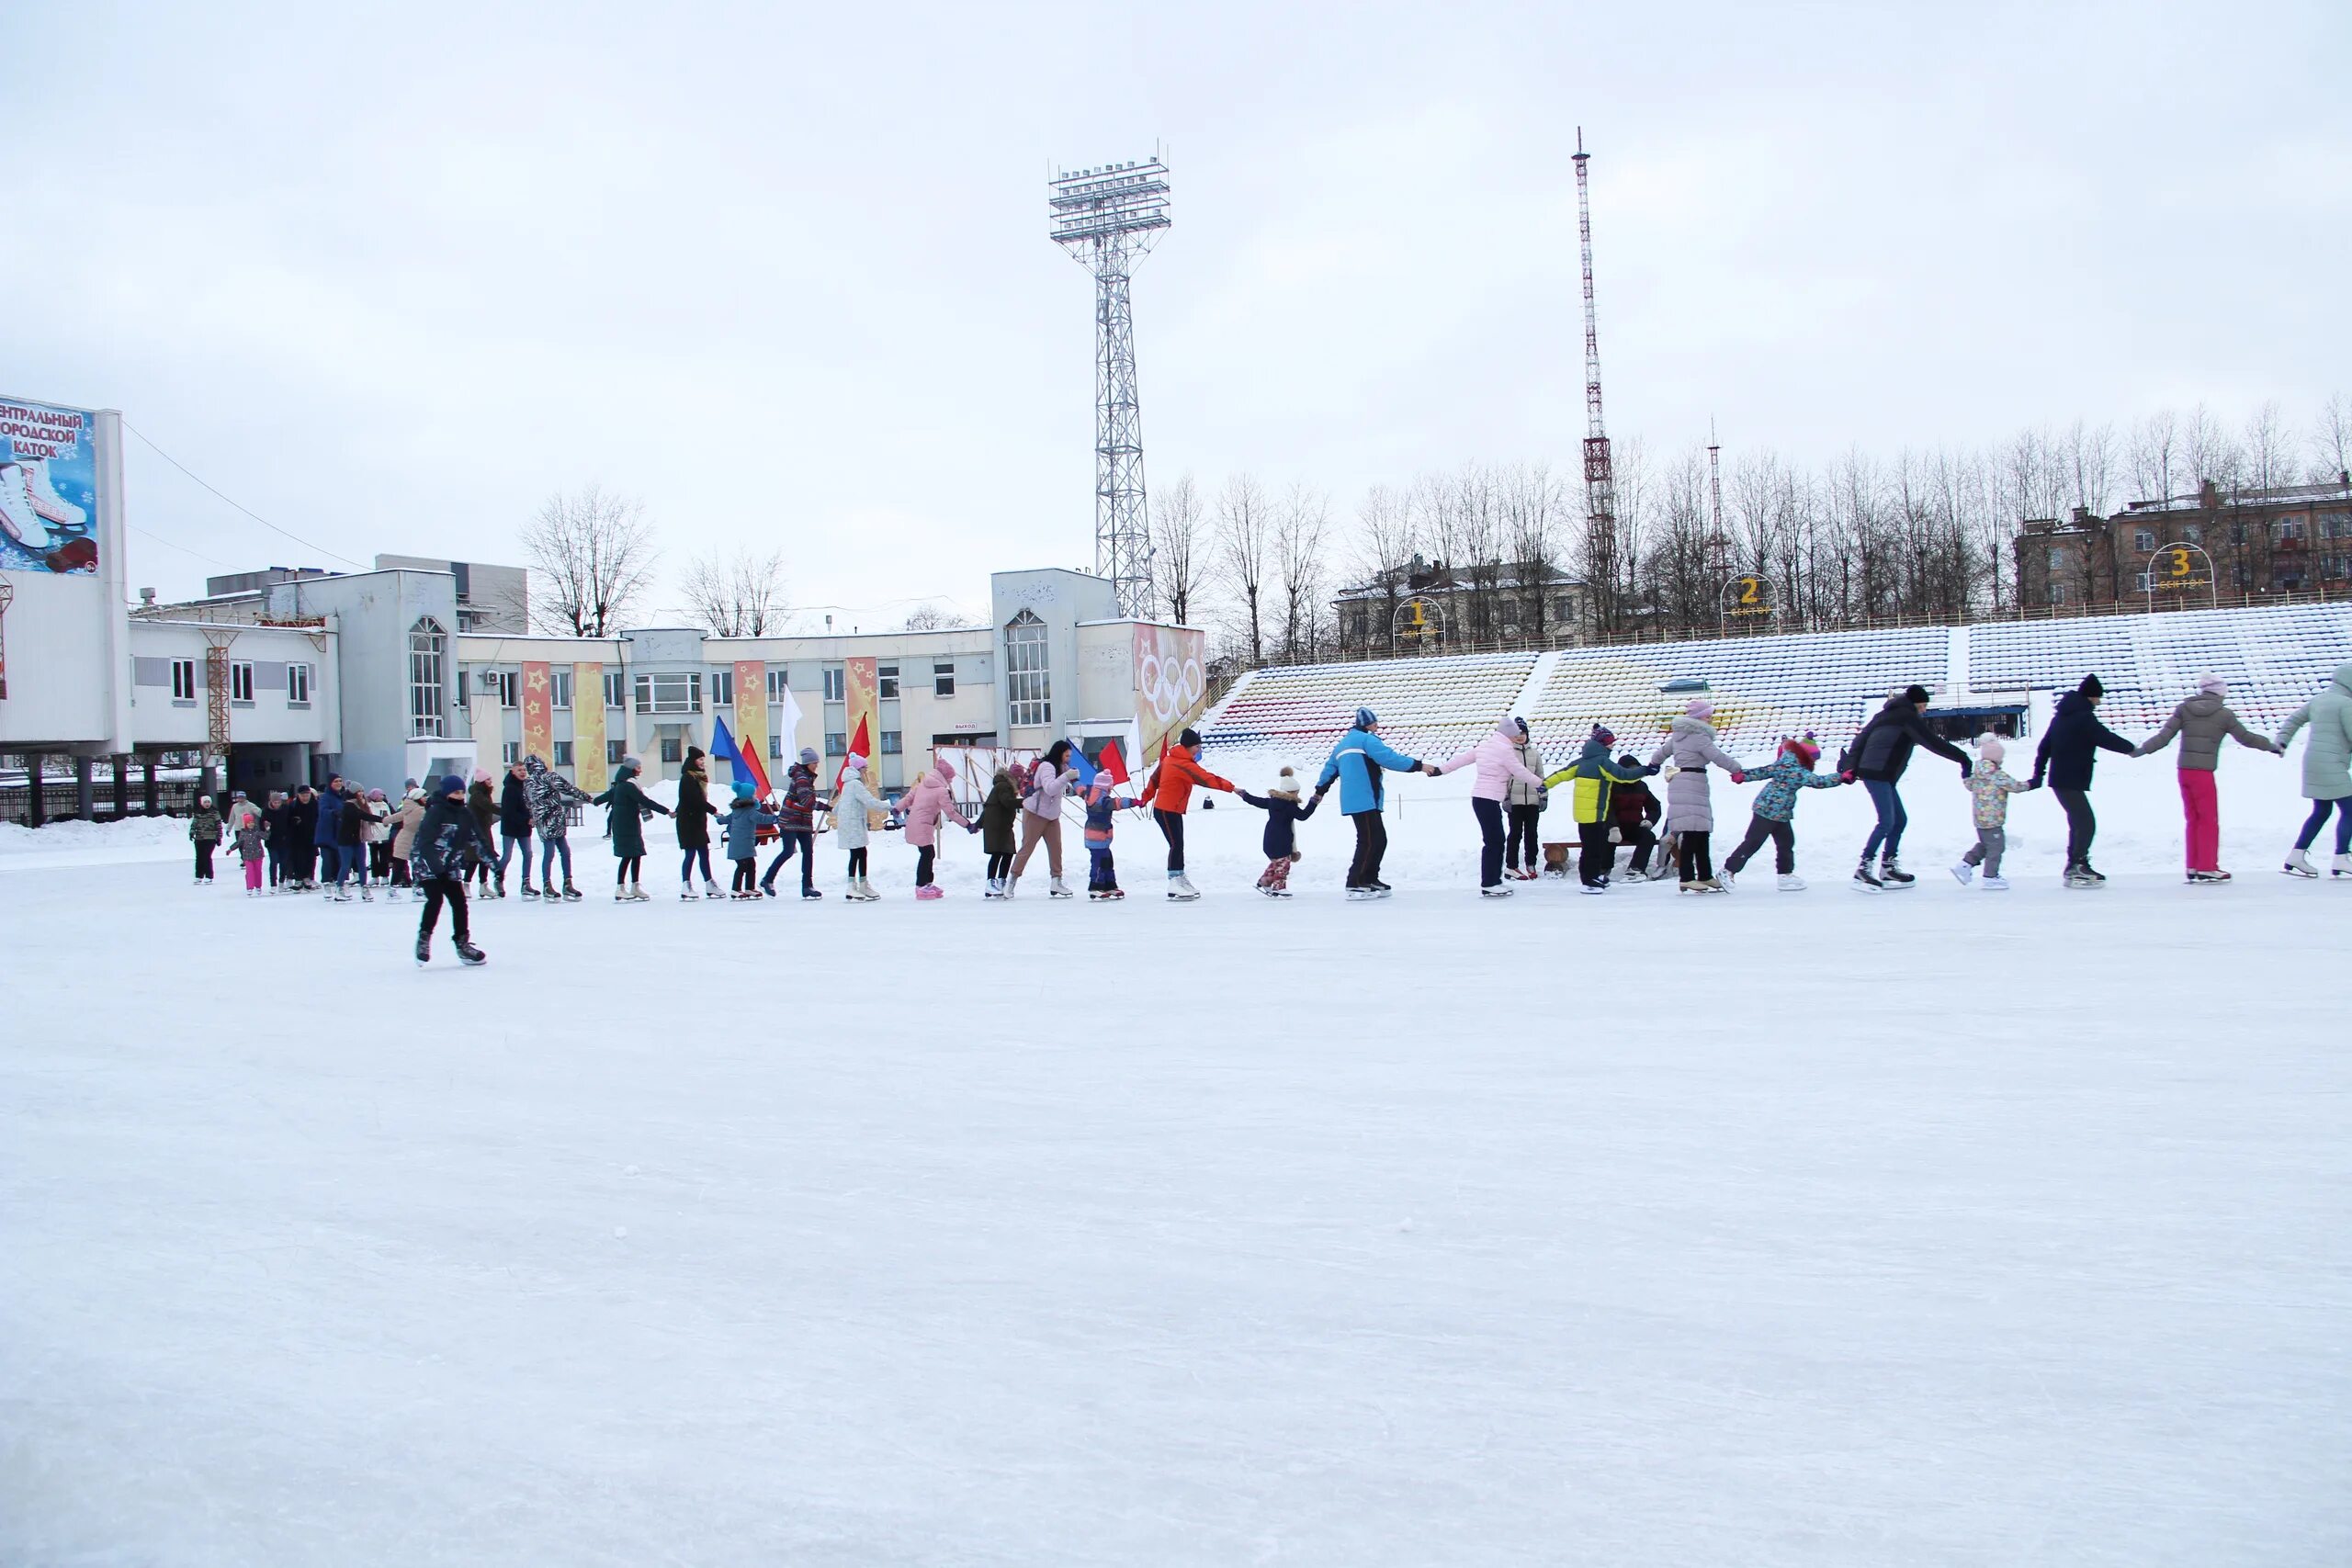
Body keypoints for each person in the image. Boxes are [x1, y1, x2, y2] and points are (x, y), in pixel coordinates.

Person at [2132, 673, 2282, 883]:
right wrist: (2271, 747)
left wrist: (2141, 750)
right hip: (2203, 772)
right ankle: (2207, 866)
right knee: (2208, 820)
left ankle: (2193, 865)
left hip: (2183, 771)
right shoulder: (2224, 714)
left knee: (2193, 819)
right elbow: (2246, 738)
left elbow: (2164, 736)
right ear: (2220, 692)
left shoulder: (2184, 709)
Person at [1841, 682, 1972, 890]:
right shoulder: (1907, 716)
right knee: (1887, 822)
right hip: (1877, 774)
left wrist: (1848, 766)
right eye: (1924, 706)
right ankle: (1863, 868)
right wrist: (1963, 758)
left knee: (1899, 820)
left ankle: (1888, 867)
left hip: (1878, 774)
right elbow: (1932, 742)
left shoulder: (1881, 716)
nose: (1925, 710)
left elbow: (1859, 742)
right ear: (1918, 704)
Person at [2029, 674, 2138, 888]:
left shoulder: (2061, 716)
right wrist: (2131, 749)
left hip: (2060, 779)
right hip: (2071, 778)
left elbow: (2044, 747)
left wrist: (2039, 774)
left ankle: (2073, 865)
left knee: (2077, 822)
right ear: (2091, 696)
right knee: (2086, 822)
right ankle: (2077, 865)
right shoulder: (2084, 717)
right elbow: (2104, 737)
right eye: (2098, 698)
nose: (2099, 702)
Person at [1312, 708, 1434, 899]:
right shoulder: (1367, 740)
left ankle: (1369, 878)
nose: (1377, 725)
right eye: (1374, 722)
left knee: (1378, 839)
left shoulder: (1342, 744)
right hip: (1364, 797)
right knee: (1368, 840)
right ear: (1366, 724)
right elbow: (1390, 759)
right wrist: (1420, 766)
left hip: (1357, 798)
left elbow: (1329, 770)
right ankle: (1354, 882)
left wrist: (1320, 791)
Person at [1647, 699, 1751, 894]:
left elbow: (1660, 753)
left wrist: (1654, 764)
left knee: (1701, 832)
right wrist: (1737, 769)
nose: (1710, 719)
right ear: (1697, 718)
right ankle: (1686, 877)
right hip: (1691, 783)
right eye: (1707, 715)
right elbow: (1717, 756)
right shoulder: (1698, 736)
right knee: (1693, 833)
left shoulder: (1679, 736)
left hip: (1687, 782)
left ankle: (1705, 875)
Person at [1438, 716, 1549, 897]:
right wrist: (1540, 784)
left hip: (1482, 799)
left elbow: (1461, 759)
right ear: (1508, 734)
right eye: (1514, 734)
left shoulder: (1486, 745)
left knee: (1495, 840)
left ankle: (1494, 880)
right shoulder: (1505, 750)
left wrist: (1440, 770)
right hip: (1487, 799)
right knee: (1494, 841)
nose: (1516, 737)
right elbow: (1519, 771)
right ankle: (1490, 882)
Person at [1542, 725, 1659, 894]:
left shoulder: (1581, 762)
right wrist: (1646, 770)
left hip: (1582, 813)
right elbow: (1624, 775)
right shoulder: (1602, 762)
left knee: (1592, 847)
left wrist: (1544, 785)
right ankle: (1589, 880)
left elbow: (1561, 774)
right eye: (1610, 742)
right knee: (1593, 849)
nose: (1612, 745)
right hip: (1596, 812)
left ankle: (1593, 876)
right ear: (1603, 744)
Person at [1721, 735, 1843, 891]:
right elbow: (1818, 782)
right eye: (1814, 759)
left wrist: (1744, 776)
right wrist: (1842, 778)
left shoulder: (1785, 763)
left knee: (1786, 843)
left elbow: (1763, 771)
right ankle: (1728, 871)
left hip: (1779, 813)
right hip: (1768, 811)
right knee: (1753, 842)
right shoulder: (1796, 769)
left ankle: (1785, 875)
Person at [2275, 660, 2352, 878]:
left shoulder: (2319, 700)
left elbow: (2294, 720)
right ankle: (2341, 857)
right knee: (2350, 810)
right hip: (2332, 764)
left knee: (2321, 811)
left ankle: (2296, 856)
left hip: (2313, 762)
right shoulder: (2346, 704)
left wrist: (2282, 741)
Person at [1136, 729, 1234, 901]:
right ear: (1189, 746)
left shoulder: (1170, 760)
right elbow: (1207, 779)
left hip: (1172, 809)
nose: (1199, 749)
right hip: (1166, 809)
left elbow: (1154, 779)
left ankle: (1180, 877)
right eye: (1197, 746)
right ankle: (1174, 881)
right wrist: (1232, 788)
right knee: (1176, 844)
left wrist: (1146, 797)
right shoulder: (1182, 764)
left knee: (1178, 844)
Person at [410, 773, 492, 966]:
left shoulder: (465, 813)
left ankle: (462, 943)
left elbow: (478, 839)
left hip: (450, 864)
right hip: (427, 863)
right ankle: (424, 939)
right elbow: (425, 844)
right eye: (456, 792)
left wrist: (494, 865)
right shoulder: (435, 811)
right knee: (436, 898)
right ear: (447, 793)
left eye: (462, 792)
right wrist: (437, 869)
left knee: (459, 902)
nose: (460, 796)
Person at [1951, 732, 2031, 891]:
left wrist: (1965, 774)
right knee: (1996, 847)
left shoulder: (1977, 774)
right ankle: (1990, 876)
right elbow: (2015, 786)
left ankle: (1965, 865)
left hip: (1980, 820)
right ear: (1997, 759)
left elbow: (1968, 784)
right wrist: (2031, 783)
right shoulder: (1997, 775)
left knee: (1986, 845)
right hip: (1993, 820)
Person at [1005, 739, 1080, 898]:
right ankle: (1011, 881)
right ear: (1059, 753)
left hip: (1052, 816)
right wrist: (1066, 776)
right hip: (1035, 813)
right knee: (1027, 848)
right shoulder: (1046, 766)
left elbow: (1073, 782)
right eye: (1066, 755)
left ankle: (1056, 882)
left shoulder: (1062, 767)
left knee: (1056, 849)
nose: (1068, 758)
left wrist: (1085, 791)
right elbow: (1050, 789)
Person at [898, 753, 976, 898]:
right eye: (950, 778)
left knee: (928, 853)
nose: (951, 781)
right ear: (945, 777)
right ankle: (921, 886)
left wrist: (897, 808)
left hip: (915, 822)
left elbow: (908, 799)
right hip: (923, 825)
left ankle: (927, 883)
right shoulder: (941, 791)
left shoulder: (923, 785)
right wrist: (968, 825)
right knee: (927, 854)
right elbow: (951, 813)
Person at [1236, 766, 1320, 897]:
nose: (1297, 795)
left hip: (1269, 837)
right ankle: (1279, 887)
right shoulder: (1289, 805)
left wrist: (1245, 795)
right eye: (1296, 793)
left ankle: (1265, 882)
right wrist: (1313, 802)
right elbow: (1303, 816)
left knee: (1277, 862)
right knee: (1283, 864)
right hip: (1282, 839)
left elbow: (1256, 801)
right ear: (1291, 792)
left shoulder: (1272, 802)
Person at [594, 755, 671, 901]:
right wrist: (666, 811)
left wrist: (595, 801)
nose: (640, 771)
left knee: (636, 854)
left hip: (630, 825)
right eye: (638, 767)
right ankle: (620, 888)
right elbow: (645, 801)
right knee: (627, 855)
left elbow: (604, 797)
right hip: (625, 826)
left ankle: (635, 886)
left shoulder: (622, 784)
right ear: (632, 769)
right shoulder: (628, 786)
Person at [523, 753, 593, 902]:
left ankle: (548, 884)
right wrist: (588, 798)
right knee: (563, 852)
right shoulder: (549, 777)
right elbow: (568, 789)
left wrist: (536, 814)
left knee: (551, 853)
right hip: (555, 819)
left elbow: (527, 802)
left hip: (543, 822)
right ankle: (565, 883)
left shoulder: (527, 783)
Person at [760, 747, 825, 899]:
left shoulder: (806, 777)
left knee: (808, 852)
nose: (816, 765)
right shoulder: (802, 778)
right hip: (790, 821)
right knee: (788, 851)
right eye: (815, 762)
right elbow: (807, 801)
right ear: (808, 763)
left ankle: (807, 886)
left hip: (802, 821)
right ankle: (767, 879)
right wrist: (825, 806)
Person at [1079, 766, 1144, 900]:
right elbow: (1119, 803)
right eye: (1110, 786)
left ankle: (1109, 885)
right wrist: (1135, 802)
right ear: (1106, 787)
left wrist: (1073, 779)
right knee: (1098, 863)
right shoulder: (1104, 801)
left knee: (1107, 861)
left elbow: (1079, 788)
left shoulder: (1088, 794)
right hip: (1098, 837)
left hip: (1096, 837)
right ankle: (1095, 887)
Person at [833, 754, 889, 901]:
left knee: (860, 853)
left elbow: (839, 806)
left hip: (853, 824)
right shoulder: (855, 784)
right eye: (865, 767)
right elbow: (870, 801)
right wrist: (890, 807)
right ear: (859, 769)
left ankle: (861, 884)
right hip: (853, 825)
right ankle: (853, 886)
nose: (866, 770)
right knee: (858, 853)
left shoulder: (849, 784)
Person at [719, 779, 779, 898]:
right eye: (753, 794)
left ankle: (749, 888)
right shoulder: (749, 811)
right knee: (742, 866)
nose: (755, 795)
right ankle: (736, 889)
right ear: (748, 797)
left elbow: (727, 818)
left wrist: (720, 820)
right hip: (743, 843)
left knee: (750, 865)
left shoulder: (737, 810)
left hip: (740, 843)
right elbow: (761, 818)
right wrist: (775, 818)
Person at [674, 746, 721, 899]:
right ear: (693, 761)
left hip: (697, 821)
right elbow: (695, 799)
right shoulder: (688, 778)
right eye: (700, 759)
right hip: (688, 822)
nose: (702, 762)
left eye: (703, 759)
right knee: (691, 853)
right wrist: (714, 810)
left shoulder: (697, 777)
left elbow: (690, 799)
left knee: (704, 853)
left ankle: (709, 883)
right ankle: (686, 885)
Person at [1504, 722, 1548, 881]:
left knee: (1532, 833)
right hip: (1515, 801)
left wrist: (1543, 796)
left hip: (1532, 801)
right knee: (1515, 834)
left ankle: (1531, 863)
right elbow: (1504, 778)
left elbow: (1540, 776)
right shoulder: (1508, 753)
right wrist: (1505, 798)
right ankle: (1511, 865)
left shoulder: (1535, 754)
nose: (1520, 736)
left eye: (1523, 733)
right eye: (1517, 733)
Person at [1610, 756, 1663, 880]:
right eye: (1630, 769)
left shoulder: (1641, 786)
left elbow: (1654, 806)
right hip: (1614, 826)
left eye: (1636, 769)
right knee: (1607, 838)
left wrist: (1650, 820)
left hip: (1634, 826)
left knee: (1648, 836)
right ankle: (1603, 869)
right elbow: (1607, 810)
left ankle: (1636, 869)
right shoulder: (1611, 785)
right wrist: (1612, 826)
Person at [979, 765, 1021, 897]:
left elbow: (988, 806)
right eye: (1020, 777)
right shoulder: (1004, 786)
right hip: (998, 827)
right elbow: (1007, 802)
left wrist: (979, 824)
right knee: (998, 854)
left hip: (1001, 826)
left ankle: (1001, 881)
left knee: (1007, 853)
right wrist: (1026, 802)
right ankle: (991, 883)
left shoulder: (1001, 786)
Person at [495, 759, 535, 898]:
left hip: (524, 828)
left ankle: (526, 883)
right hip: (510, 827)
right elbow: (508, 811)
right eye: (520, 770)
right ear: (512, 771)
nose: (523, 772)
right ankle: (498, 878)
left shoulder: (526, 786)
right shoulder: (510, 788)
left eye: (524, 770)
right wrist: (526, 819)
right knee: (507, 856)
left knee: (528, 854)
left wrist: (532, 816)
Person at [335, 784, 380, 901]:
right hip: (345, 840)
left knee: (362, 864)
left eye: (362, 791)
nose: (361, 793)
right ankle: (339, 888)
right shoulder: (348, 805)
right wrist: (381, 819)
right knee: (346, 865)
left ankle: (364, 887)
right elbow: (362, 815)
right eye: (358, 791)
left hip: (358, 838)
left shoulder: (361, 804)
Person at [388, 785, 428, 901]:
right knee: (407, 865)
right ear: (417, 797)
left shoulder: (410, 808)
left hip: (408, 839)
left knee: (414, 865)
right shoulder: (419, 811)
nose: (426, 798)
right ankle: (399, 890)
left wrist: (386, 820)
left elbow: (398, 816)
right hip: (409, 840)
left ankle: (413, 888)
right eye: (423, 796)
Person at [466, 770, 499, 896]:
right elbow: (489, 807)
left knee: (485, 859)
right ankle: (466, 884)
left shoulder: (485, 793)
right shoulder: (477, 795)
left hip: (484, 830)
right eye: (488, 779)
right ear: (481, 782)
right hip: (476, 832)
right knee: (474, 859)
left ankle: (483, 885)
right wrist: (506, 812)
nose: (491, 782)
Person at [312, 775, 346, 894]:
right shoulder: (325, 797)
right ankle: (326, 883)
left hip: (339, 833)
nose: (339, 783)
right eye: (336, 781)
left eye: (340, 781)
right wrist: (334, 813)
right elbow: (323, 811)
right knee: (327, 860)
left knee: (340, 860)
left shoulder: (343, 796)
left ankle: (340, 884)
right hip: (326, 834)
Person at [281, 784, 319, 890]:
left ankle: (307, 877)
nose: (305, 798)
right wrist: (293, 822)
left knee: (310, 858)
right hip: (296, 837)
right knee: (298, 858)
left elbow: (319, 819)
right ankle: (298, 878)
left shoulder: (315, 804)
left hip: (311, 836)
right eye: (303, 795)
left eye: (307, 795)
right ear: (298, 795)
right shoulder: (293, 805)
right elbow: (286, 821)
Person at [231, 795, 267, 896]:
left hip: (258, 854)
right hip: (247, 856)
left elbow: (266, 837)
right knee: (250, 872)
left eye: (252, 822)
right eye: (248, 823)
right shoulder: (243, 833)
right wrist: (230, 849)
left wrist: (268, 829)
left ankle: (258, 886)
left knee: (258, 871)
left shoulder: (257, 831)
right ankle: (250, 887)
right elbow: (239, 843)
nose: (250, 824)